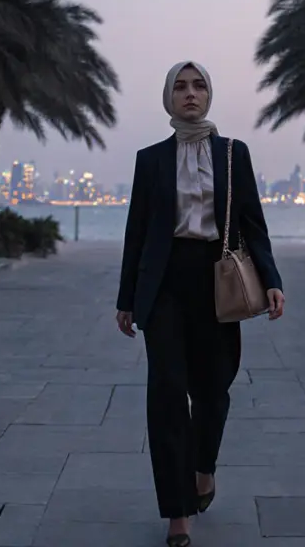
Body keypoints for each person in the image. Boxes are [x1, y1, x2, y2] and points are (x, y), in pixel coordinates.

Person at [116, 60, 286, 546]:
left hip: (219, 278)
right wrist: (128, 298)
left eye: (199, 85)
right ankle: (178, 514)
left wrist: (271, 279)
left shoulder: (234, 154)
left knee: (213, 390)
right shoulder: (150, 160)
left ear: (209, 95)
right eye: (180, 86)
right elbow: (137, 234)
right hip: (165, 284)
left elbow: (253, 223)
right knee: (167, 394)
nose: (190, 93)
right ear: (168, 97)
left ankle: (204, 466)